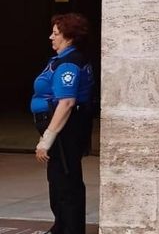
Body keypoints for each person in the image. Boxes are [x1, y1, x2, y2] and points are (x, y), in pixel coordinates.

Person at [31, 13, 94, 234]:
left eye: (56, 34)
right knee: (58, 180)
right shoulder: (64, 58)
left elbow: (66, 102)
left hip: (65, 131)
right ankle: (61, 226)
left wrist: (46, 139)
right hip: (61, 129)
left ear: (69, 37)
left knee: (66, 183)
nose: (51, 37)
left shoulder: (69, 63)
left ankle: (70, 229)